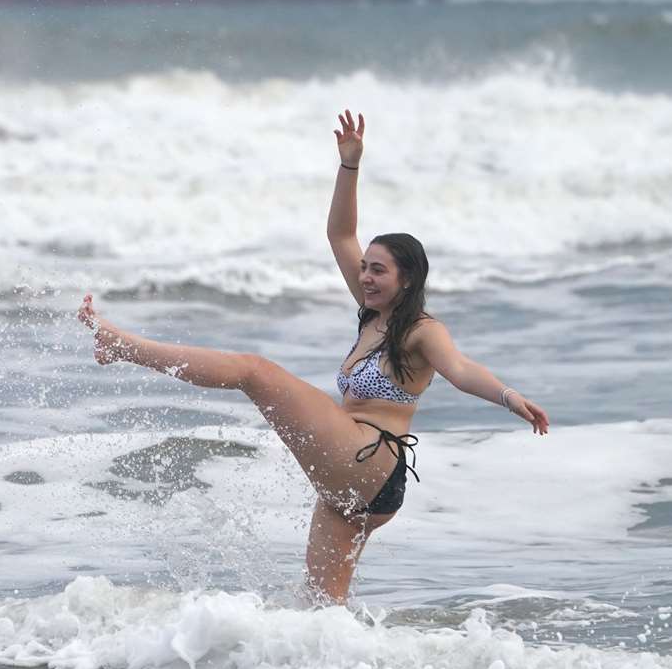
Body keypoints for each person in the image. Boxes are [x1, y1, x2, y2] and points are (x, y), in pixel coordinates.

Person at [78, 110, 549, 604]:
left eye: (379, 271)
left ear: (406, 279)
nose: (366, 277)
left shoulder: (420, 331)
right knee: (321, 608)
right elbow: (341, 236)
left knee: (253, 371)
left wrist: (509, 396)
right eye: (365, 269)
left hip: (368, 460)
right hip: (358, 481)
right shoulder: (372, 315)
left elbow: (461, 370)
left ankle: (122, 345)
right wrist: (350, 166)